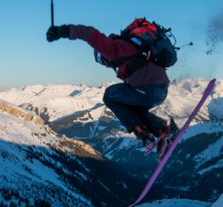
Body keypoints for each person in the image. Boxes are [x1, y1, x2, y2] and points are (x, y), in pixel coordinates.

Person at [46, 20, 177, 157]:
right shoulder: (134, 47)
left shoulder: (112, 48)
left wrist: (61, 31)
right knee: (133, 109)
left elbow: (89, 33)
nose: (106, 64)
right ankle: (164, 132)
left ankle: (144, 134)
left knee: (109, 96)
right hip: (161, 90)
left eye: (102, 60)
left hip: (148, 89)